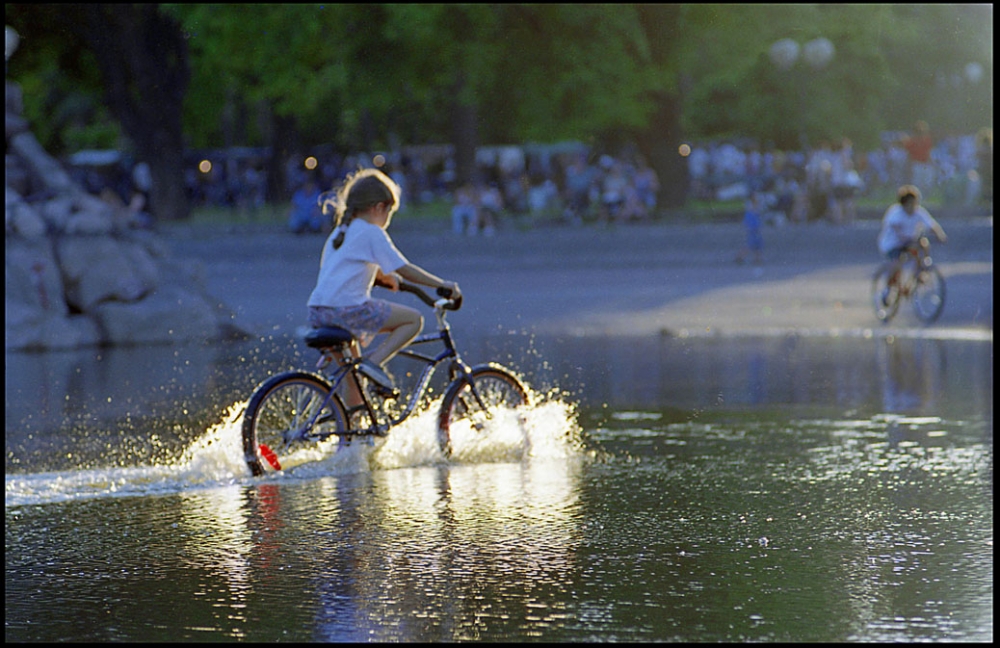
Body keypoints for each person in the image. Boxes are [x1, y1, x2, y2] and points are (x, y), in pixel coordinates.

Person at [307, 168, 461, 404]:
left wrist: (382, 278)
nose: (389, 218)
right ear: (379, 207)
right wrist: (442, 284)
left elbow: (343, 270)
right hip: (347, 311)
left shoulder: (340, 232)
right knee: (413, 320)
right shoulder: (372, 232)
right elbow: (404, 268)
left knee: (354, 382)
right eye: (390, 211)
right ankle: (373, 363)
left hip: (319, 311)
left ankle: (352, 433)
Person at [876, 185, 947, 295]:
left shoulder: (919, 212)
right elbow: (897, 230)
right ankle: (887, 289)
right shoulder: (896, 212)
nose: (913, 206)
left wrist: (940, 235)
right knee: (896, 264)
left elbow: (931, 225)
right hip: (892, 244)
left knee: (924, 244)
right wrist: (908, 239)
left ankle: (922, 269)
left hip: (908, 242)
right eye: (911, 203)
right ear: (904, 203)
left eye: (915, 203)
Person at [735, 191, 764, 265]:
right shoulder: (750, 207)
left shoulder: (756, 207)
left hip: (756, 228)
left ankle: (757, 259)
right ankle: (740, 257)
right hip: (753, 229)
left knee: (758, 245)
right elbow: (749, 219)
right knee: (751, 244)